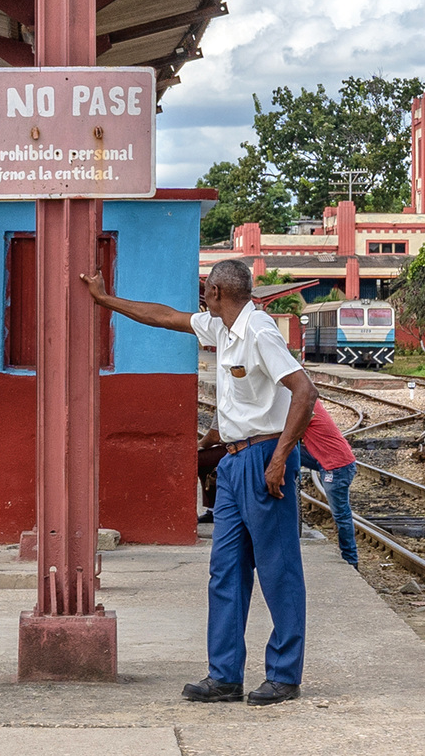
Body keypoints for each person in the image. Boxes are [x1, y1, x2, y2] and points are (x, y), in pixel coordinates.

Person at [80, 259, 318, 706]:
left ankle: (285, 676)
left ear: (217, 292)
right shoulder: (221, 327)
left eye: (206, 290)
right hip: (231, 463)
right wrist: (106, 300)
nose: (201, 297)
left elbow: (304, 391)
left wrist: (281, 458)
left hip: (264, 456)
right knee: (225, 571)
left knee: (278, 571)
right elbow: (165, 316)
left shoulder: (260, 331)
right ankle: (225, 675)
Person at [300, 399, 359, 568]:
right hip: (326, 461)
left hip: (337, 467)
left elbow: (290, 431)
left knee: (341, 514)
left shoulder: (305, 407)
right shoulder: (308, 401)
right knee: (290, 451)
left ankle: (351, 559)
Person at [197, 418, 226, 524]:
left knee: (197, 459)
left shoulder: (224, 401)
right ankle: (212, 508)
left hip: (234, 449)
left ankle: (212, 509)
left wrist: (199, 445)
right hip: (251, 446)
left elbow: (214, 436)